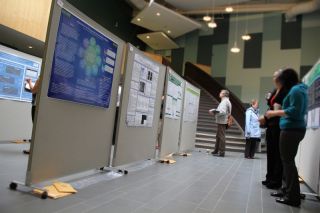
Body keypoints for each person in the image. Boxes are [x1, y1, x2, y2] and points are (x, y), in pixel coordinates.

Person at [265, 68, 308, 207]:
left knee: (288, 163)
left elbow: (294, 111)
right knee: (287, 162)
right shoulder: (298, 89)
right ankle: (286, 190)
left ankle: (292, 196)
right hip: (292, 129)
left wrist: (274, 113)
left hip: (291, 129)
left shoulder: (296, 90)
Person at [261, 70, 288, 189]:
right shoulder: (275, 91)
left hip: (279, 125)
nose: (274, 78)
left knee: (277, 154)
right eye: (274, 75)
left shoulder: (285, 90)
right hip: (271, 124)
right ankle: (269, 177)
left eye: (276, 75)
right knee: (270, 153)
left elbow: (280, 108)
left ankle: (276, 180)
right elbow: (271, 106)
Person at [209, 90, 232, 157]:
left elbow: (222, 112)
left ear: (224, 94)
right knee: (218, 136)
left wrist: (213, 111)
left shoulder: (224, 101)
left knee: (221, 136)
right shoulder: (226, 101)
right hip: (222, 121)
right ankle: (216, 150)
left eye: (221, 93)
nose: (219, 93)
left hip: (222, 121)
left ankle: (221, 152)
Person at [23, 78, 40, 154]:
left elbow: (33, 90)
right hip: (43, 106)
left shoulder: (40, 78)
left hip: (36, 106)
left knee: (36, 129)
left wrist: (29, 82)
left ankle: (32, 150)